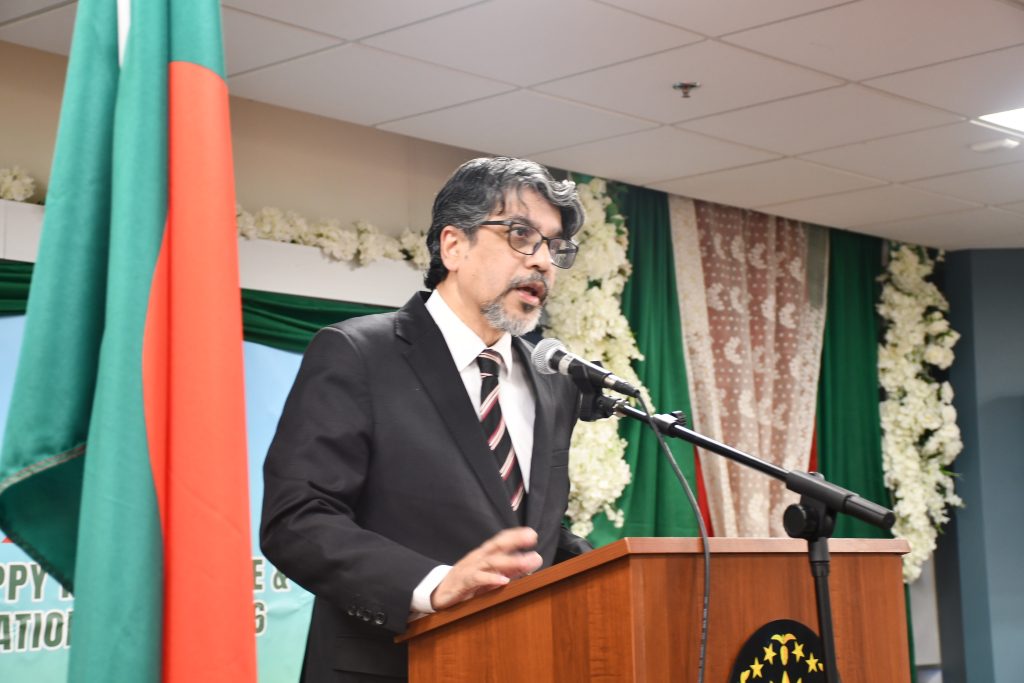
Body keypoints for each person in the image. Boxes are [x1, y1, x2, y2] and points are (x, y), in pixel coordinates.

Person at [260, 157, 593, 682]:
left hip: (519, 663)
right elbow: (298, 520)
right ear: (453, 245)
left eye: (555, 247)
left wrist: (610, 567)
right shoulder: (358, 353)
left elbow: (529, 524)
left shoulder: (552, 379)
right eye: (521, 236)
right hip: (389, 664)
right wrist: (433, 584)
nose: (543, 263)